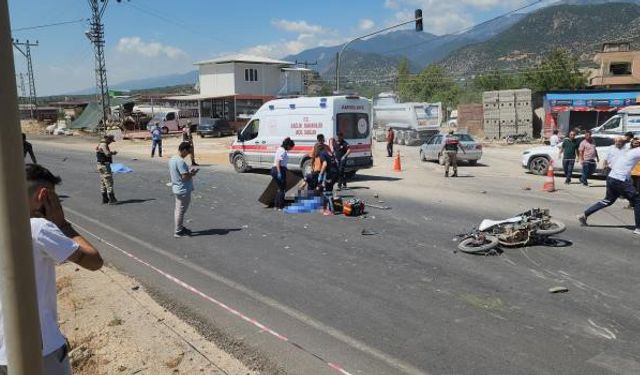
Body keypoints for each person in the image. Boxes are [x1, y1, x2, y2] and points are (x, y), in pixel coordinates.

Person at [0, 164, 103, 375]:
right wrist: (62, 224)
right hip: (39, 349)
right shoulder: (37, 228)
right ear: (44, 195)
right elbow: (94, 261)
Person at [578, 138, 640, 236]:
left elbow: (625, 141)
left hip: (612, 177)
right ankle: (638, 228)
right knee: (637, 200)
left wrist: (632, 140)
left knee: (608, 200)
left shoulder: (627, 149)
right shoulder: (637, 151)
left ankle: (585, 214)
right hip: (620, 179)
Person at [169, 142, 199, 238]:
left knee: (179, 209)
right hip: (183, 189)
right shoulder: (180, 161)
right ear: (184, 150)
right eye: (188, 151)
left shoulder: (172, 159)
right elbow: (184, 177)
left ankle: (180, 228)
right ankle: (178, 230)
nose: (188, 154)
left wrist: (188, 172)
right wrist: (192, 174)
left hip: (177, 187)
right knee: (180, 210)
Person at [271, 138, 295, 210]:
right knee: (282, 189)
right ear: (287, 145)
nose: (291, 149)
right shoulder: (283, 151)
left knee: (280, 188)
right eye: (291, 147)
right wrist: (279, 172)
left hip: (275, 169)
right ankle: (280, 206)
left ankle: (276, 205)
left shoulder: (280, 149)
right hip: (279, 169)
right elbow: (278, 161)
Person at [317, 145, 339, 215]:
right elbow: (336, 162)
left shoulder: (322, 153)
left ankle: (331, 211)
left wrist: (320, 174)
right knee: (328, 191)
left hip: (331, 174)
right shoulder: (329, 153)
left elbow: (325, 164)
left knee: (327, 193)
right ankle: (325, 209)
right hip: (335, 173)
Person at [96, 134, 118, 204]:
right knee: (109, 181)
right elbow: (107, 154)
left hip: (100, 165)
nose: (111, 142)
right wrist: (113, 153)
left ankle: (105, 198)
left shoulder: (100, 144)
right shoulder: (104, 144)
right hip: (105, 165)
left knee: (103, 182)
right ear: (107, 139)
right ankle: (112, 199)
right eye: (110, 140)